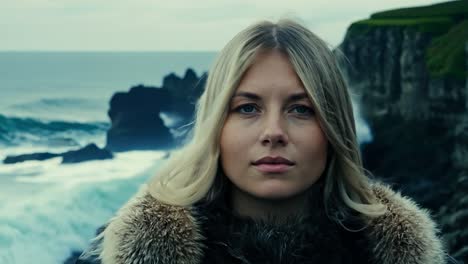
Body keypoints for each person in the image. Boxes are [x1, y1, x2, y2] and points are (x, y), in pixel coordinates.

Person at [77, 19, 447, 264]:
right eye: (248, 107)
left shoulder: (398, 253)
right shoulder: (148, 249)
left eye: (301, 109)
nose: (274, 131)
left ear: (334, 127)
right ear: (215, 124)